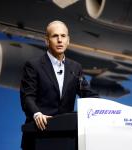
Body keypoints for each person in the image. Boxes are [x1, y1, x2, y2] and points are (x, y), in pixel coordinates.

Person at [20, 20, 98, 149]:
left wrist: (104, 108)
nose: (60, 40)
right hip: (39, 135)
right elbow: (27, 97)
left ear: (68, 40)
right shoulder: (34, 66)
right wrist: (37, 114)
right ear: (47, 40)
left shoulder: (75, 67)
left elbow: (88, 93)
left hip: (68, 138)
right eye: (55, 36)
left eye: (63, 36)